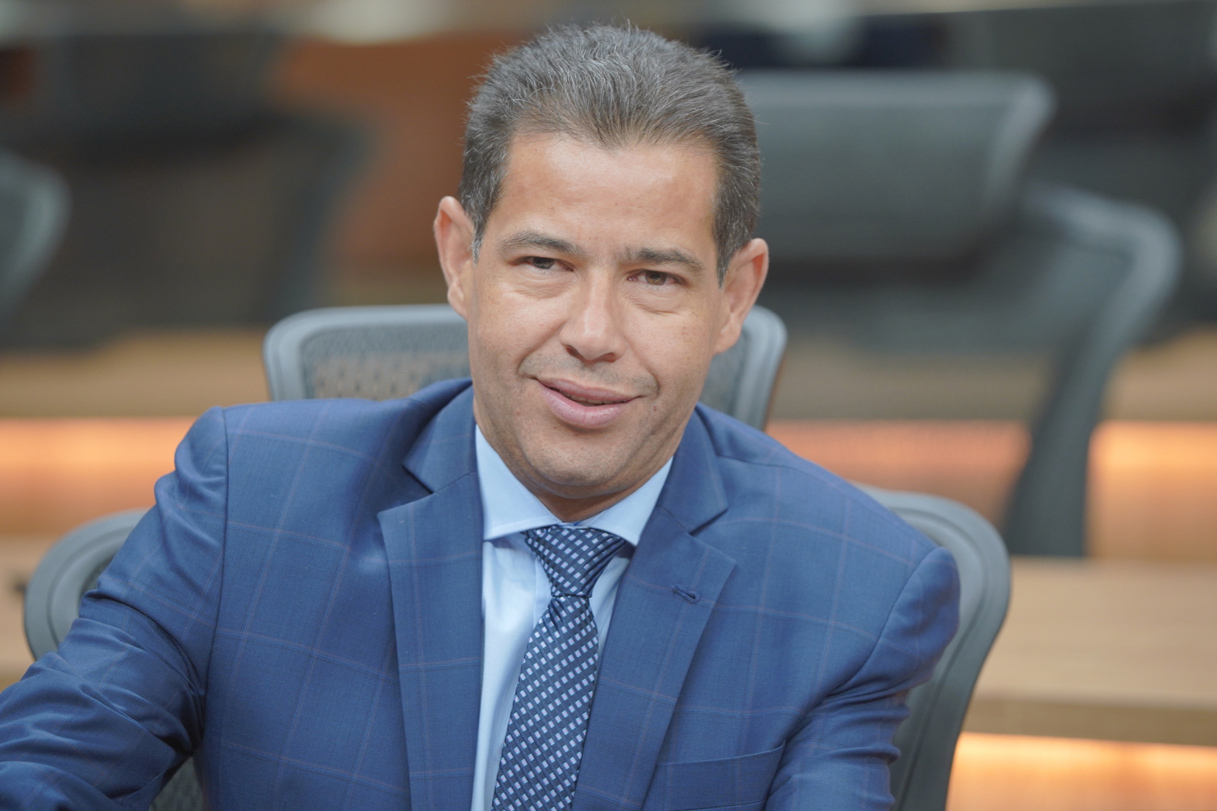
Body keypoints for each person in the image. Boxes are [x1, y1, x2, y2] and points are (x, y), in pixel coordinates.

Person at [0, 24, 958, 811]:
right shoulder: (245, 504)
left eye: (654, 278)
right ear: (461, 260)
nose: (593, 334)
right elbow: (40, 770)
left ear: (733, 296)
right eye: (544, 264)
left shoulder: (853, 590)